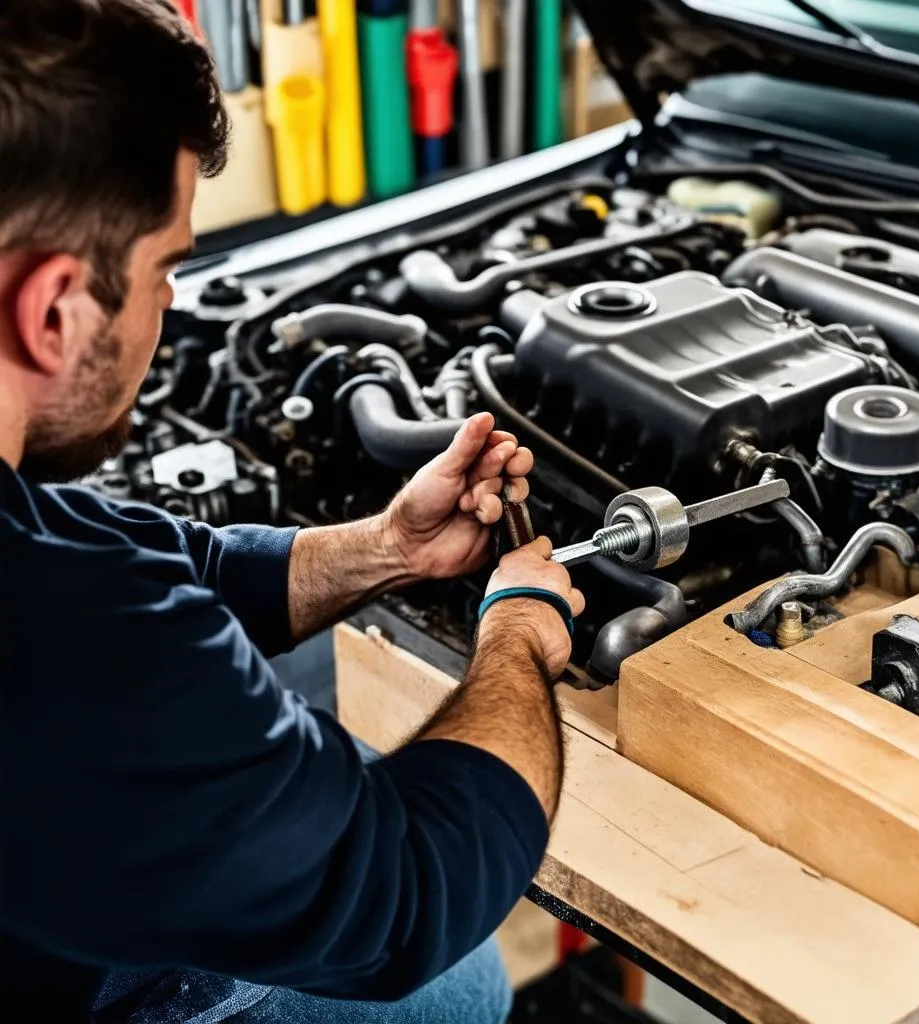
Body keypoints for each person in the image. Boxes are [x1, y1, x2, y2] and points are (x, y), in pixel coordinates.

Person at [0, 2, 584, 1022]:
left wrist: (385, 548)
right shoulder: (67, 647)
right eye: (166, 270)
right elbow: (406, 899)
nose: (171, 306)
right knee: (449, 986)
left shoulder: (39, 558)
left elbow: (119, 551)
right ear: (51, 310)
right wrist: (521, 636)